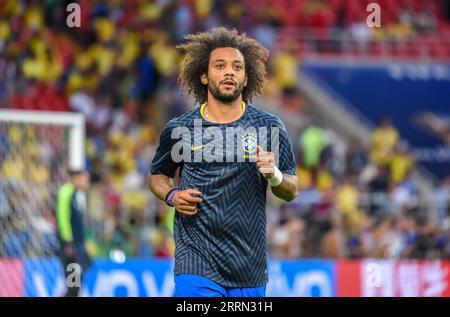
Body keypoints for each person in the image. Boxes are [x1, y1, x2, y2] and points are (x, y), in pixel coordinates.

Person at [147, 28, 298, 297]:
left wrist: (273, 174)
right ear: (204, 76)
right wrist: (172, 195)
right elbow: (157, 175)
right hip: (196, 261)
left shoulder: (269, 126)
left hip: (248, 267)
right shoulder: (180, 129)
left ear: (246, 77)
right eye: (220, 66)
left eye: (237, 67)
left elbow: (291, 189)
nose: (229, 72)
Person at [55, 168, 92, 297]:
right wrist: (67, 242)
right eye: (84, 178)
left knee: (76, 283)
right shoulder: (66, 192)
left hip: (76, 245)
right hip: (71, 246)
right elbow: (62, 217)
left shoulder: (74, 194)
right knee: (74, 284)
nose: (87, 181)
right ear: (75, 178)